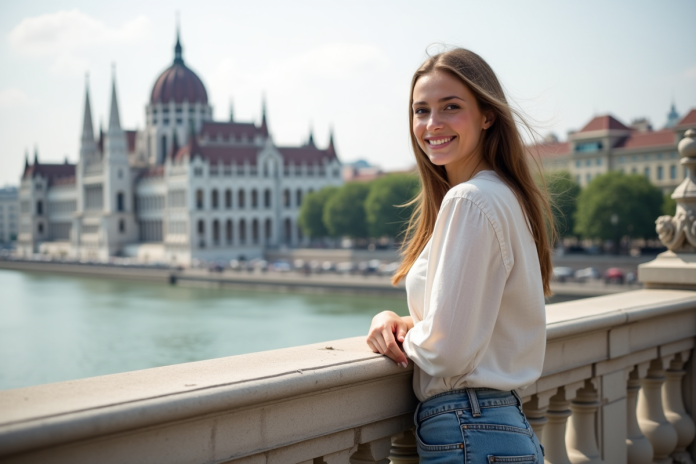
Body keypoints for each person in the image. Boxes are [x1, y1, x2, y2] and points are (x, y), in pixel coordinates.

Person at [366, 48, 554, 462]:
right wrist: (398, 320)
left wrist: (402, 337)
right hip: (496, 423)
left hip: (468, 426)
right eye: (421, 110)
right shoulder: (503, 195)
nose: (432, 124)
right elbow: (470, 322)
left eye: (450, 107)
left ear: (487, 115)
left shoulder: (469, 200)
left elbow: (448, 350)